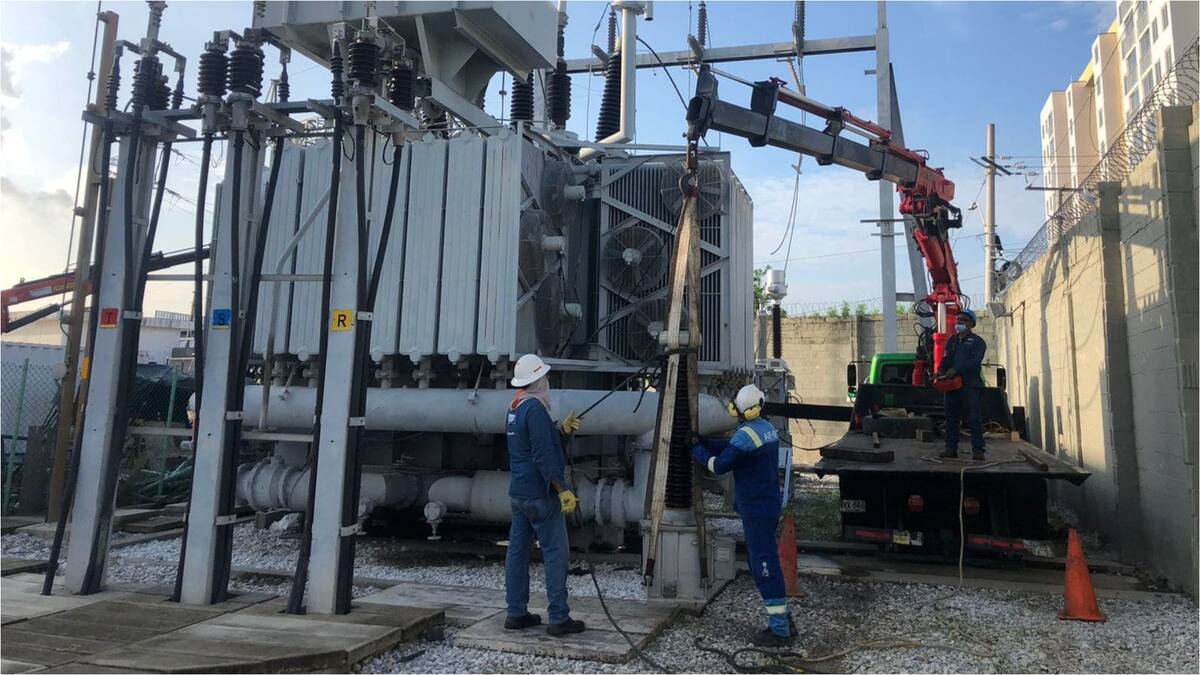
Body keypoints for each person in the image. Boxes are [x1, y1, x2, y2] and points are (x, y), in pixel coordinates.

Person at [690, 384, 795, 646]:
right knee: (763, 561)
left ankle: (780, 630)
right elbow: (733, 446)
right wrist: (705, 442)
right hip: (766, 504)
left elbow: (719, 465)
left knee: (764, 566)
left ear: (743, 411)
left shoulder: (747, 434)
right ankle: (785, 620)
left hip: (756, 508)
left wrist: (696, 449)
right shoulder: (765, 428)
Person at [503, 353, 585, 637]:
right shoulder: (536, 410)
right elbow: (542, 454)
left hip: (519, 492)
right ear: (538, 381)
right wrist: (562, 489)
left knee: (517, 551)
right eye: (544, 377)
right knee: (555, 552)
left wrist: (561, 431)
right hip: (540, 493)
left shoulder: (514, 407)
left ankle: (515, 613)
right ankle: (559, 618)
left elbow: (529, 445)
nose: (547, 381)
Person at [936, 308, 988, 460]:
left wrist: (956, 370)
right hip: (952, 386)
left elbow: (974, 362)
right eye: (958, 320)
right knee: (951, 418)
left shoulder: (978, 342)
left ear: (971, 324)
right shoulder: (952, 341)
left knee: (973, 418)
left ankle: (978, 450)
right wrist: (940, 372)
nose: (959, 322)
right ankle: (951, 449)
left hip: (970, 386)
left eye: (963, 320)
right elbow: (945, 359)